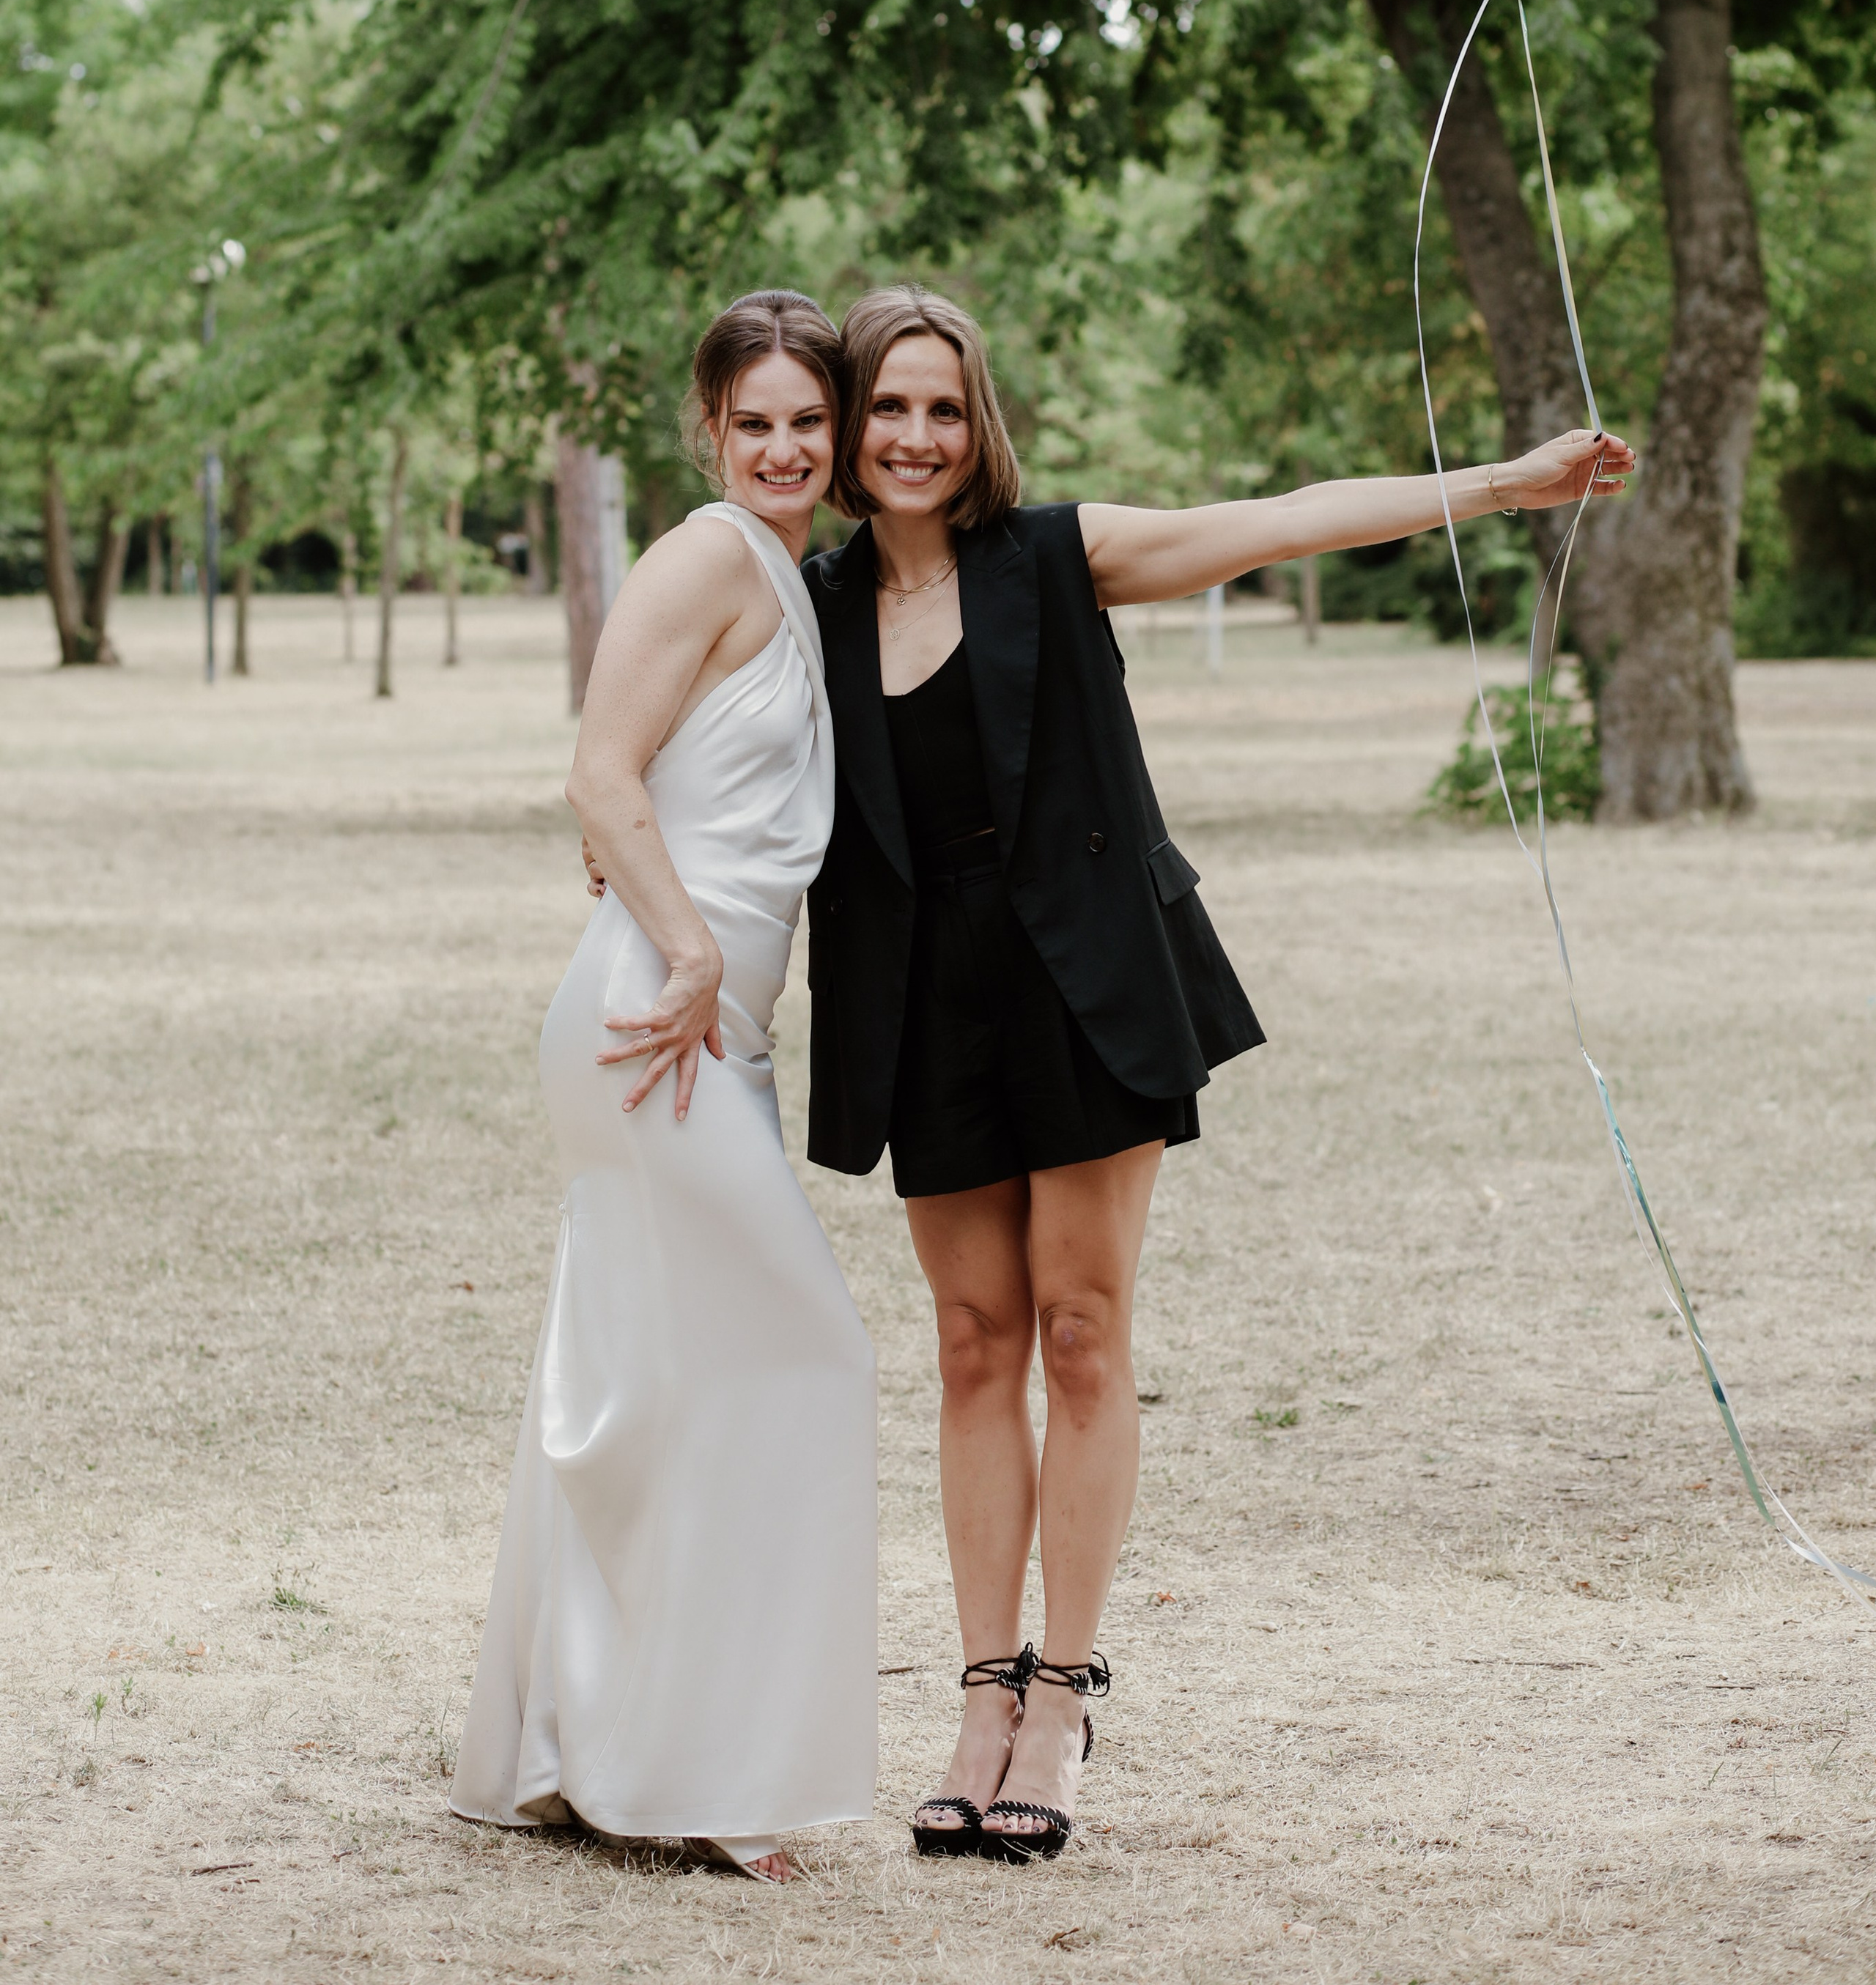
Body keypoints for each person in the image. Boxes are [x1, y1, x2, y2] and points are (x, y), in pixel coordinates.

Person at [801, 284, 1633, 1863]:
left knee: (1079, 1330)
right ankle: (977, 1696)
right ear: (846, 430)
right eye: (884, 408)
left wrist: (1505, 484)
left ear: (977, 421)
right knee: (973, 1346)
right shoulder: (811, 603)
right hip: (920, 995)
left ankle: (1059, 1698)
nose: (913, 436)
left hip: (1086, 973)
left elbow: (1278, 523)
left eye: (941, 406)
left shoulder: (1055, 557)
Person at [449, 293, 877, 1883]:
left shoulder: (793, 577)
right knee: (797, 1366)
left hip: (716, 1025)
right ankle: (700, 1770)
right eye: (752, 421)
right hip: (657, 1020)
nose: (782, 447)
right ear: (708, 431)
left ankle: (574, 1747)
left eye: (804, 423)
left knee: (646, 1395)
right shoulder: (705, 551)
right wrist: (687, 947)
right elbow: (597, 775)